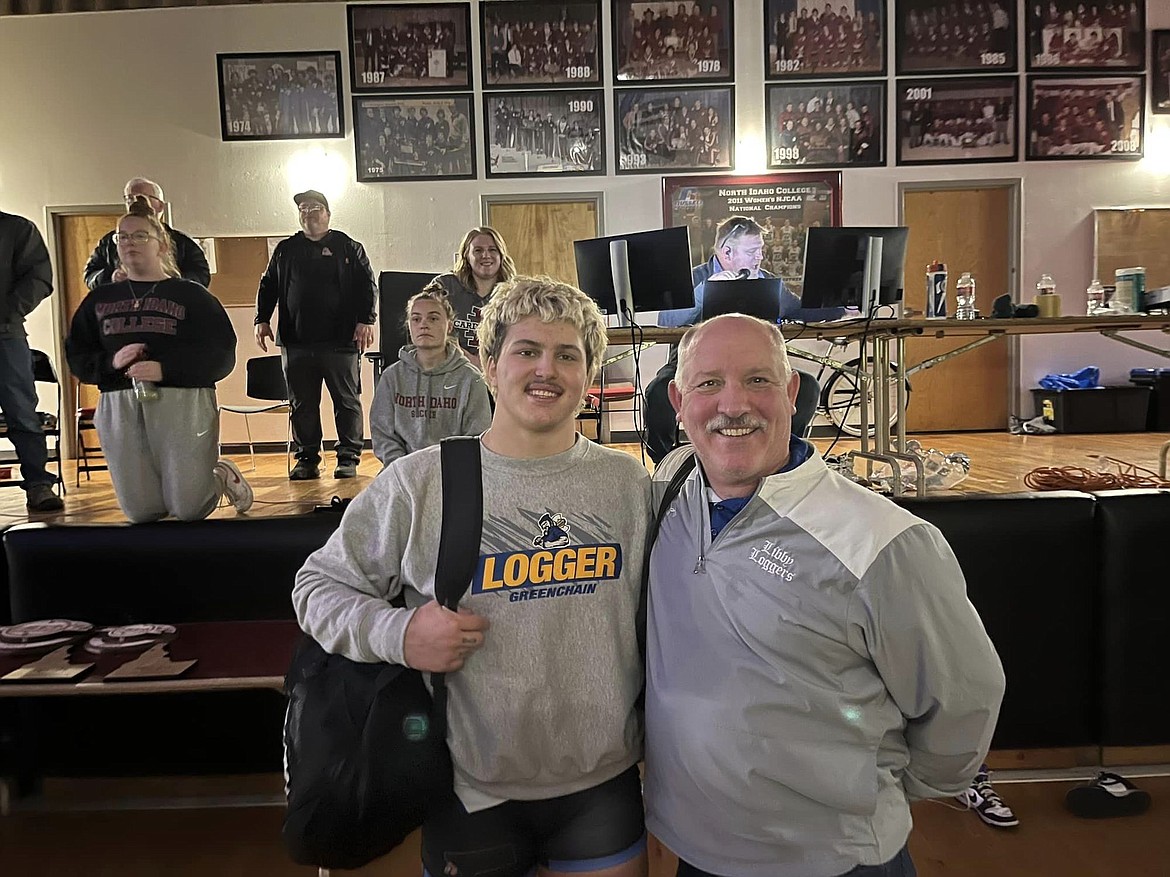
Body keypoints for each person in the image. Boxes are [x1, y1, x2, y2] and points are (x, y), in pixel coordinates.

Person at [292, 275, 652, 877]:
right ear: (488, 364)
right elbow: (318, 588)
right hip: (469, 787)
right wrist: (399, 634)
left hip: (603, 781)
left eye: (568, 355)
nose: (547, 370)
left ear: (589, 376)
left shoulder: (628, 485)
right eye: (526, 351)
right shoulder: (419, 482)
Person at [644, 313, 1006, 877]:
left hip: (834, 861)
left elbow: (964, 697)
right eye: (708, 383)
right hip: (697, 850)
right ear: (678, 401)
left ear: (791, 393)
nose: (733, 404)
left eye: (758, 380)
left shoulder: (884, 542)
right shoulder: (667, 499)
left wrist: (878, 794)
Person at [65, 197, 253, 523]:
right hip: (119, 400)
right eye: (122, 237)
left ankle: (220, 475)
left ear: (162, 246)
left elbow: (221, 354)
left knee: (189, 507)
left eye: (140, 236)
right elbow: (77, 355)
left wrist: (166, 368)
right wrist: (110, 363)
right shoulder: (98, 300)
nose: (129, 243)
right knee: (141, 511)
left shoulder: (191, 295)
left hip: (182, 399)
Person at [645, 215, 841, 463]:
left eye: (760, 250)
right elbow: (667, 321)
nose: (759, 257)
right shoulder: (694, 278)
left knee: (807, 388)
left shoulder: (766, 281)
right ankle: (667, 463)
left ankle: (779, 458)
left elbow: (798, 310)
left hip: (757, 367)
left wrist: (842, 308)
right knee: (658, 392)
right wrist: (705, 291)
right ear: (726, 252)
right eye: (752, 251)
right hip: (695, 366)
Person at [254, 190, 377, 481]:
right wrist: (261, 319)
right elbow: (268, 284)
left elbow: (367, 285)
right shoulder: (285, 249)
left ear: (328, 214)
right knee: (302, 404)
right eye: (304, 209)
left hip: (341, 341)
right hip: (296, 341)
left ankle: (348, 458)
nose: (309, 213)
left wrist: (366, 320)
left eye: (315, 208)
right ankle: (307, 459)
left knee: (346, 402)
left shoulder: (348, 247)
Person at [369, 283, 492, 467]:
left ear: (449, 326)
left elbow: (477, 436)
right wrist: (403, 467)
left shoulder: (471, 379)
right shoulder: (392, 377)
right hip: (401, 471)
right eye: (416, 319)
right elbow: (382, 433)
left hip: (453, 471)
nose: (423, 324)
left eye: (433, 318)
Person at [0, 209, 65, 512]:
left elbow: (39, 277)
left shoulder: (16, 229)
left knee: (22, 414)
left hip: (5, 335)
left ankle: (39, 485)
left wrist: (8, 312)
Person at [83, 177, 210, 290]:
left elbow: (201, 276)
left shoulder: (181, 242)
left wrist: (172, 281)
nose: (135, 202)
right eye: (129, 198)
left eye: (142, 197)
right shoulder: (109, 242)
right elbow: (90, 275)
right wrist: (110, 276)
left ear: (160, 206)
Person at [432, 226, 517, 369]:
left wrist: (488, 365)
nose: (485, 255)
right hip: (451, 369)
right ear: (466, 255)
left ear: (501, 255)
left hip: (500, 372)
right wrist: (468, 360)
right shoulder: (445, 286)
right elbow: (428, 327)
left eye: (492, 250)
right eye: (478, 250)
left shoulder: (514, 293)